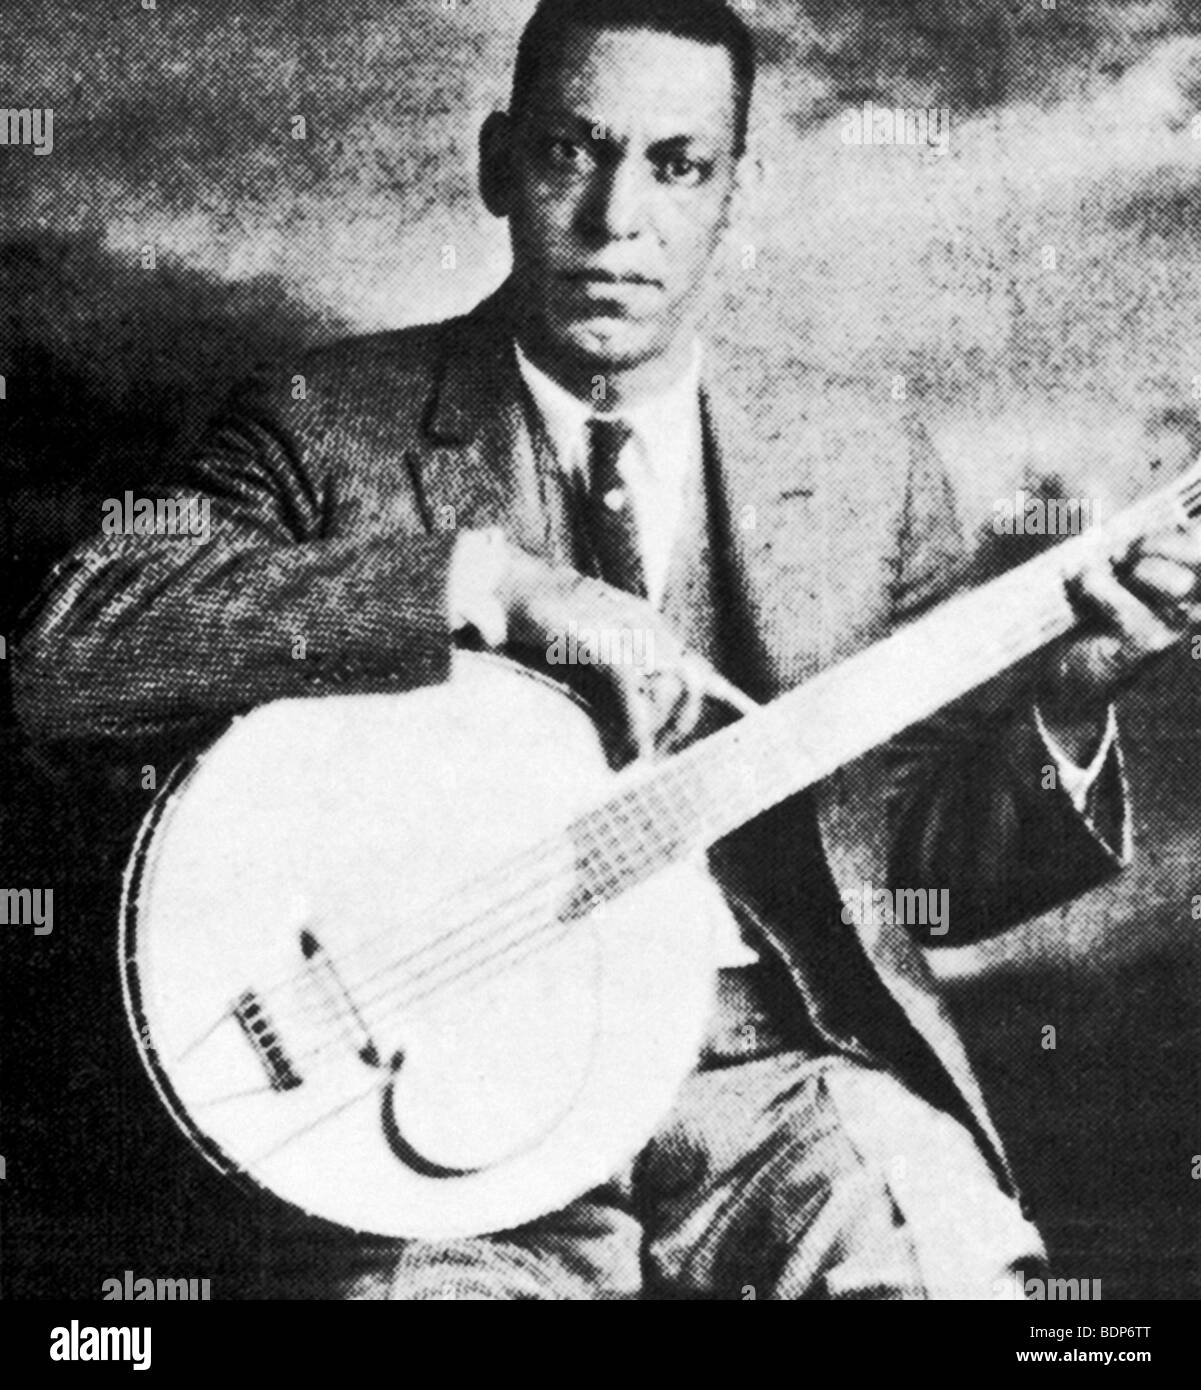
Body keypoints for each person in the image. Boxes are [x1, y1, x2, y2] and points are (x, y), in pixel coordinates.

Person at [14, 0, 1201, 1299]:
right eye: (572, 152)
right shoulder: (321, 421)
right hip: (441, 1097)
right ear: (496, 161)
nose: (616, 216)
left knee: (958, 1276)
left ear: (730, 196)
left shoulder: (862, 461)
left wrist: (1073, 703)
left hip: (776, 1087)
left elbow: (914, 869)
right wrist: (479, 581)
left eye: (676, 165)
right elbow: (69, 655)